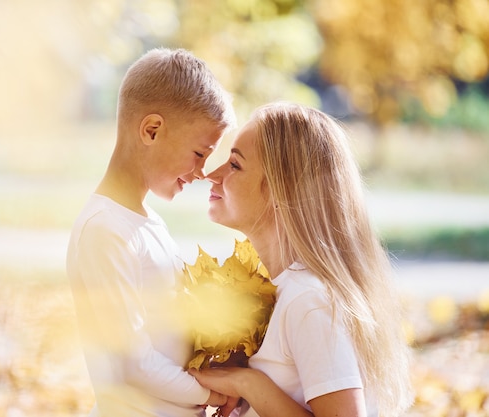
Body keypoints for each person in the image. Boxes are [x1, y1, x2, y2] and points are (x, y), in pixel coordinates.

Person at [189, 101, 413, 417]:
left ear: (283, 191)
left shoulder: (308, 300)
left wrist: (249, 384)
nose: (212, 175)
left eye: (235, 165)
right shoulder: (279, 288)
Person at [66, 48, 236, 417]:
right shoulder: (105, 231)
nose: (202, 172)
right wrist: (216, 395)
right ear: (152, 130)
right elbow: (133, 361)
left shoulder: (148, 222)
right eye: (199, 153)